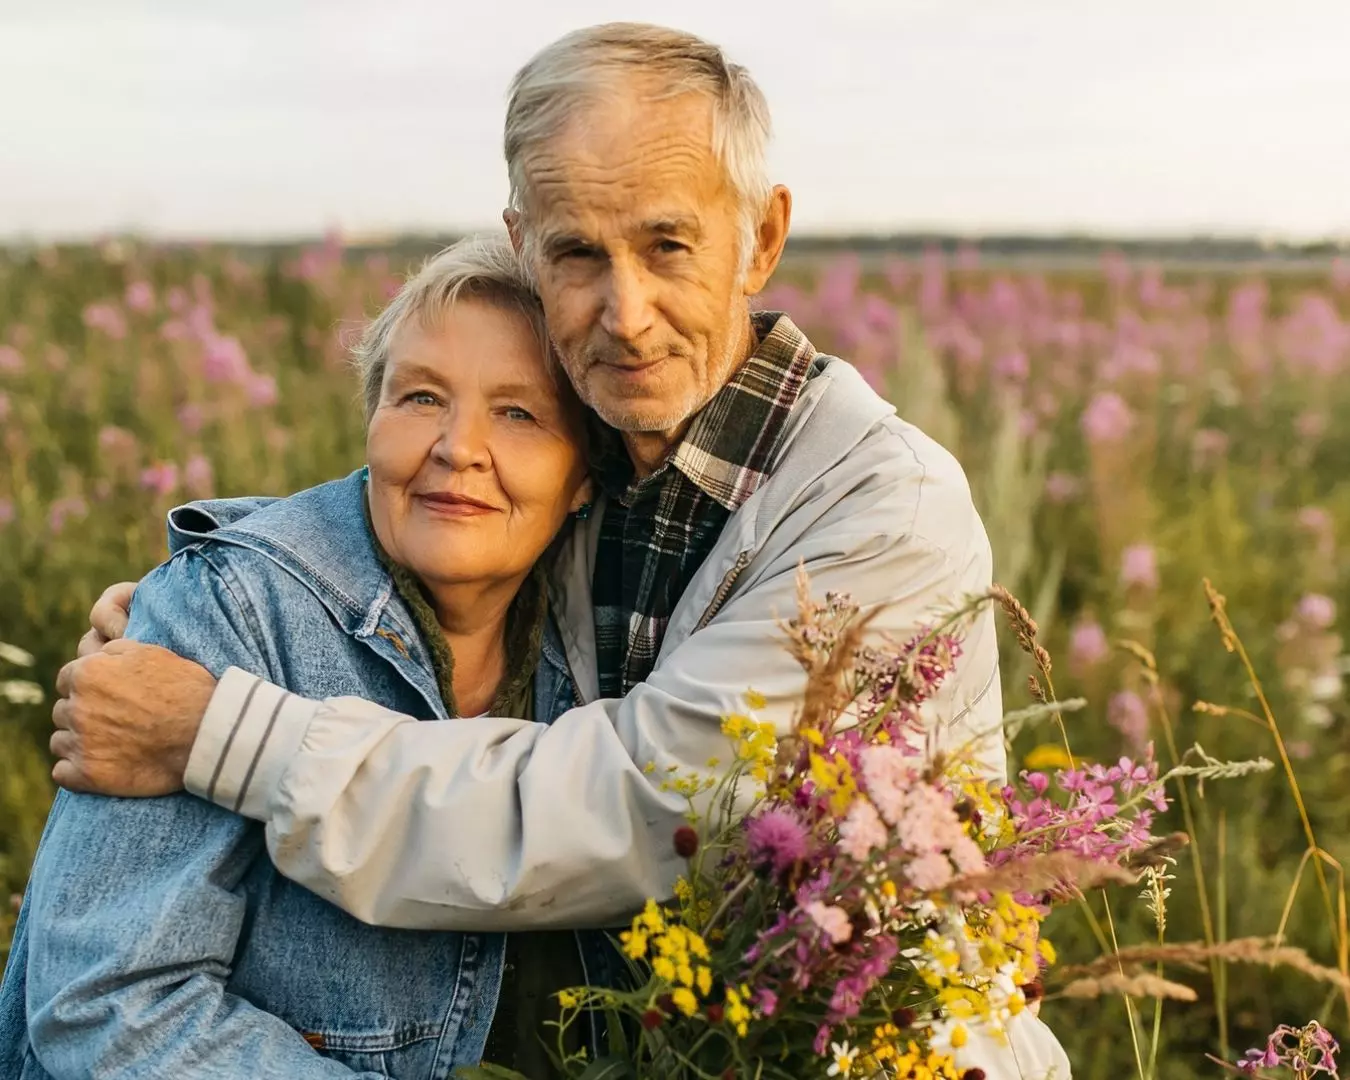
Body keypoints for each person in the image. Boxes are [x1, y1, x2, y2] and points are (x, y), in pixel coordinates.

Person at [43, 23, 1070, 1077]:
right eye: (578, 252)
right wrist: (210, 593)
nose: (625, 315)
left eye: (667, 246)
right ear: (525, 243)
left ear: (761, 240)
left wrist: (220, 727)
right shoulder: (603, 470)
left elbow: (634, 806)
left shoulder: (882, 508)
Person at [0, 237, 612, 1079]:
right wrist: (189, 599)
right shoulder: (226, 612)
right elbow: (108, 1007)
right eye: (421, 396)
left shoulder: (604, 646)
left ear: (585, 475)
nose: (457, 447)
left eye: (518, 412)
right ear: (371, 422)